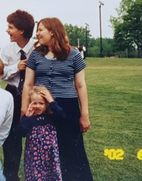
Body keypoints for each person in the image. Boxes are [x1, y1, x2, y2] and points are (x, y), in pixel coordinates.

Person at [22, 17, 93, 181]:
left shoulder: (74, 55)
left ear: (52, 32)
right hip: (42, 107)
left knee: (71, 149)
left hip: (67, 107)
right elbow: (28, 84)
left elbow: (81, 86)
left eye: (41, 30)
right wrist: (25, 109)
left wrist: (85, 114)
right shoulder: (35, 55)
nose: (37, 33)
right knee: (44, 149)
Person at [0, 10, 35, 181]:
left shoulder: (37, 48)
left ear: (21, 30)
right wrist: (16, 67)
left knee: (35, 133)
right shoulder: (7, 49)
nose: (7, 31)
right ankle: (11, 174)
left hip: (34, 96)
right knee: (11, 136)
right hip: (13, 93)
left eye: (10, 27)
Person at [17, 85, 64, 181]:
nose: (38, 106)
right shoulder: (30, 118)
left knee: (51, 176)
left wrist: (51, 101)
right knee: (35, 177)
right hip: (34, 156)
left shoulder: (51, 117)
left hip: (50, 155)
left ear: (46, 105)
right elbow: (20, 132)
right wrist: (26, 118)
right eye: (34, 103)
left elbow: (61, 117)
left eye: (41, 103)